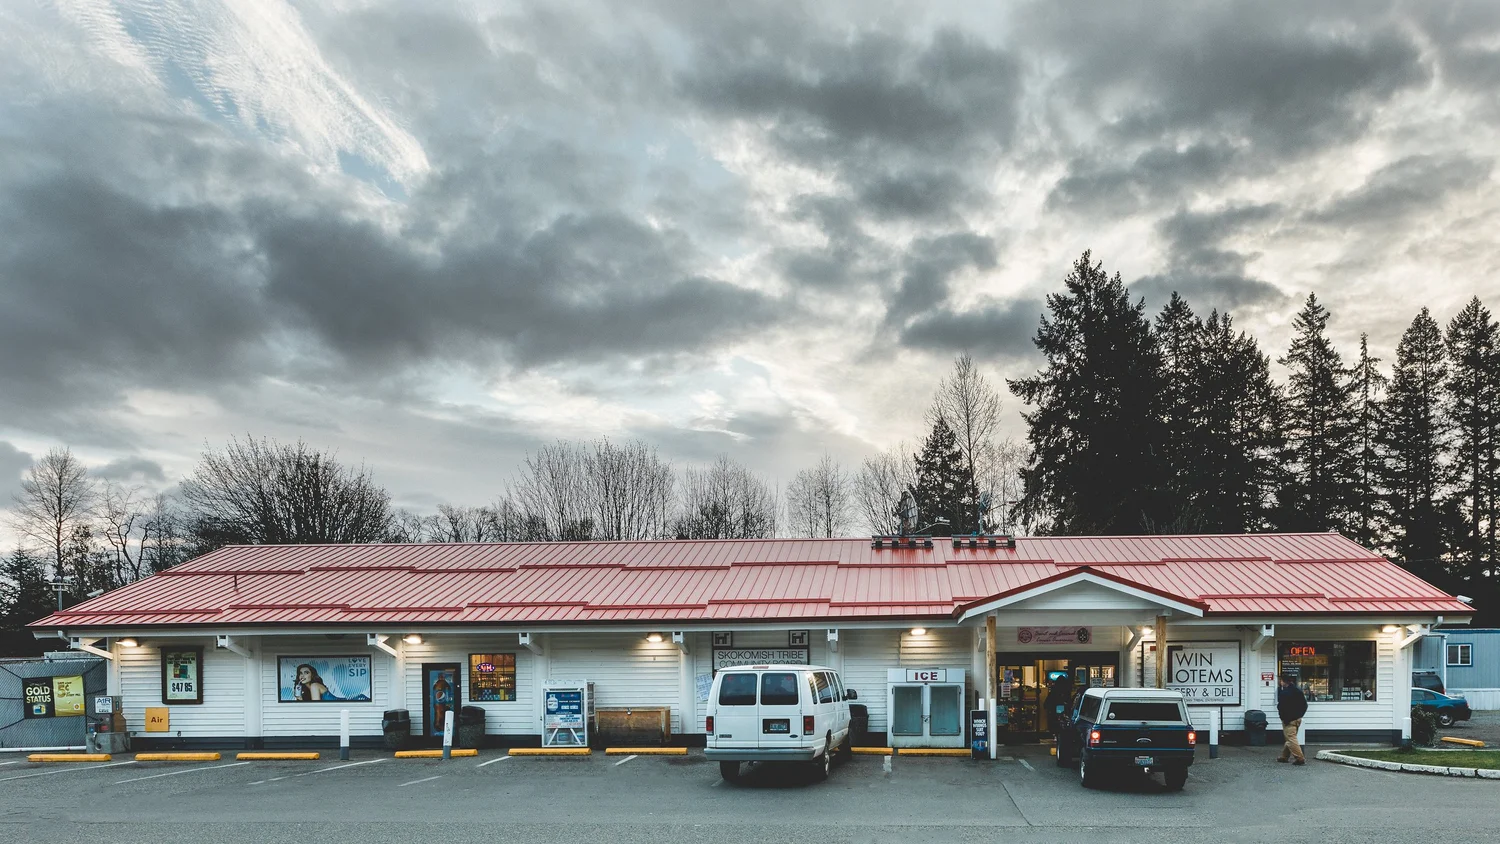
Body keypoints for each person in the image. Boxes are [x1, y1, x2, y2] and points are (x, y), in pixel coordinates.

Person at [1276, 675, 1308, 765]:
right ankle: (1284, 756)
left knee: (1291, 738)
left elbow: (1281, 707)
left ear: (1283, 681)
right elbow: (1304, 705)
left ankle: (1299, 758)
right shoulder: (1298, 691)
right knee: (1289, 737)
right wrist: (1299, 715)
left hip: (1288, 720)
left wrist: (1284, 717)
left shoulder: (1284, 693)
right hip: (1297, 719)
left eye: (1280, 681)